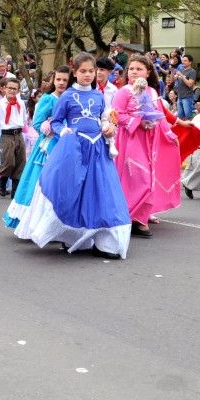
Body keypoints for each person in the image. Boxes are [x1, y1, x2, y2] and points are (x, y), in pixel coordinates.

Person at [13, 53, 131, 259]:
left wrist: (108, 127)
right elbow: (57, 121)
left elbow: (104, 118)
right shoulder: (67, 96)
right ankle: (73, 235)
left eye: (91, 71)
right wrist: (63, 131)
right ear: (74, 73)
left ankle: (104, 240)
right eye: (83, 71)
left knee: (101, 191)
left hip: (97, 149)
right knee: (73, 190)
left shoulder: (98, 95)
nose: (87, 75)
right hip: (74, 148)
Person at [112, 54, 184, 238]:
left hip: (150, 140)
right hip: (131, 139)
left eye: (139, 69)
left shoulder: (152, 92)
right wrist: (138, 122)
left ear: (148, 72)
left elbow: (160, 116)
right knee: (138, 177)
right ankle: (126, 215)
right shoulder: (124, 91)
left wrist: (169, 134)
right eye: (132, 69)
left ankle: (140, 219)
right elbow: (117, 115)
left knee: (150, 178)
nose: (134, 72)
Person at [4, 67, 70, 228]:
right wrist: (52, 128)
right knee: (39, 182)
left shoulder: (72, 98)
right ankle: (34, 221)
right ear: (53, 81)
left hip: (68, 145)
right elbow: (38, 123)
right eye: (58, 79)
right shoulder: (48, 99)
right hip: (49, 145)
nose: (61, 83)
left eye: (65, 80)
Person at [0, 76, 27, 197]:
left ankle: (15, 191)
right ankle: (2, 180)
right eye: (9, 88)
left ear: (18, 91)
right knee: (8, 162)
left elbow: (24, 120)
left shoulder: (21, 104)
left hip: (18, 134)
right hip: (6, 136)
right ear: (5, 89)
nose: (12, 91)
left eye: (15, 89)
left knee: (20, 163)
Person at [172, 55, 198, 119]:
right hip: (180, 97)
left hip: (187, 97)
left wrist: (182, 76)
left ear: (190, 62)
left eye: (185, 61)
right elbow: (174, 79)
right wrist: (172, 72)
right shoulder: (181, 70)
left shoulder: (192, 71)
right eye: (182, 60)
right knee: (180, 117)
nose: (183, 62)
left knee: (188, 117)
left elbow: (190, 84)